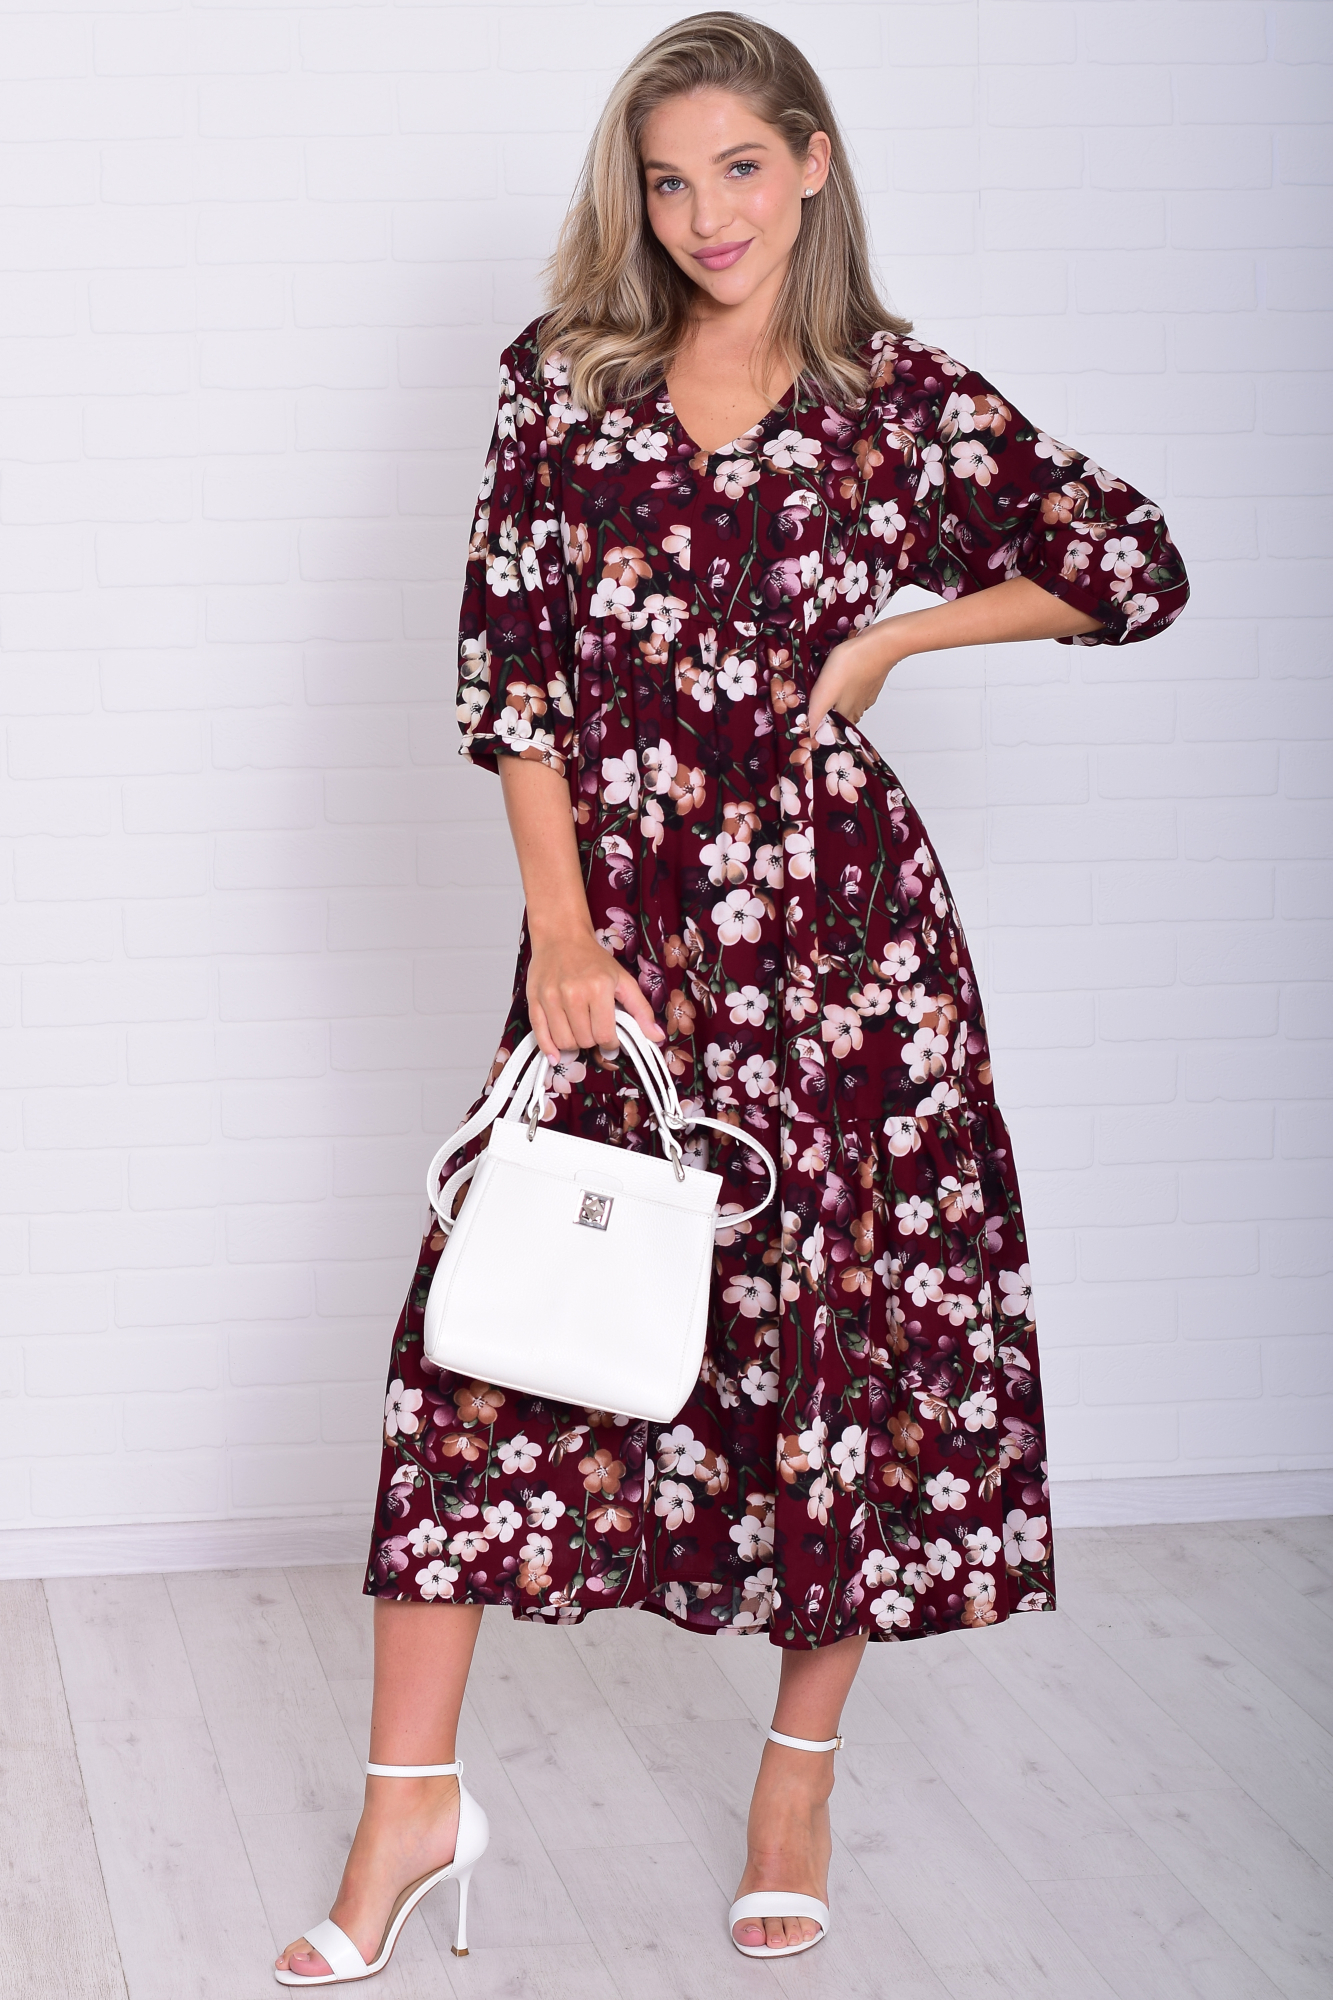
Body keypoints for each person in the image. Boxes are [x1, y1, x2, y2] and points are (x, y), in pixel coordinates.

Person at [276, 10, 1188, 1983]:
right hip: (627, 943)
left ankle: (794, 1782)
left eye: (741, 171)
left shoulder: (896, 398)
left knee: (832, 1368)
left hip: (850, 957)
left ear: (813, 164)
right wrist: (560, 931)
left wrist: (898, 639)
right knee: (479, 1355)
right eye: (669, 180)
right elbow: (510, 671)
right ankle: (406, 1804)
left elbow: (1129, 564)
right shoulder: (563, 382)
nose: (706, 215)